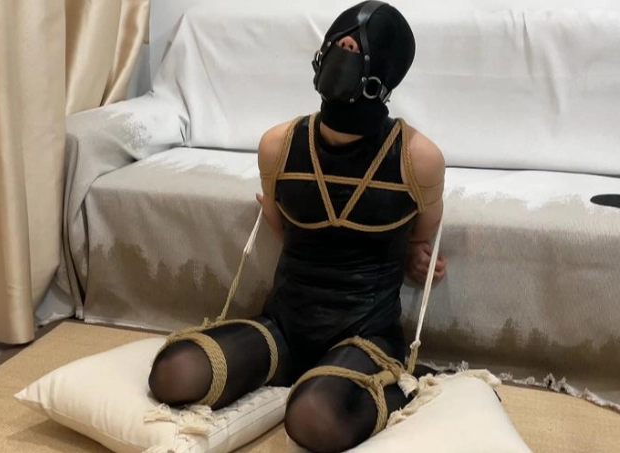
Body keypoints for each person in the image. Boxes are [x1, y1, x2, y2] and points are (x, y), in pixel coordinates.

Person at [148, 2, 447, 452]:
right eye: (341, 42)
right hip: (285, 326)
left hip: (366, 333)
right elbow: (283, 228)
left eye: (358, 48)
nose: (347, 50)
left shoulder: (417, 158)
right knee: (173, 373)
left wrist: (412, 256)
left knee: (312, 419)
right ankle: (304, 374)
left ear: (385, 75)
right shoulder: (279, 145)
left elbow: (420, 237)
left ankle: (394, 380)